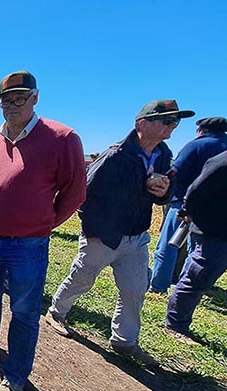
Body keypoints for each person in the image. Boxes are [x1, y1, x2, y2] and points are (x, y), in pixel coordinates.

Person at [0, 70, 87, 391]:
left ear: (35, 98)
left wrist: (44, 223)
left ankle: (14, 376)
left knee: (24, 311)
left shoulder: (61, 137)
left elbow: (75, 191)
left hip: (28, 244)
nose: (11, 105)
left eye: (19, 98)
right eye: (5, 100)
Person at [45, 99, 195, 367]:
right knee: (82, 278)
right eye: (167, 121)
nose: (173, 126)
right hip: (103, 235)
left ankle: (124, 341)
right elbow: (84, 193)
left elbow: (168, 191)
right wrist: (92, 232)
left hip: (136, 236)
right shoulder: (115, 156)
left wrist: (164, 193)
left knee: (135, 289)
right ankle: (56, 313)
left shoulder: (162, 155)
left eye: (176, 121)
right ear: (142, 124)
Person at [149, 117, 227, 293]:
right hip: (218, 211)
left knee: (168, 246)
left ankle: (158, 285)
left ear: (202, 130)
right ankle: (187, 286)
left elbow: (175, 172)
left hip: (185, 204)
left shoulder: (197, 145)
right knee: (198, 251)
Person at [165, 151, 227, 342]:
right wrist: (188, 210)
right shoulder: (223, 160)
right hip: (215, 230)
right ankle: (175, 324)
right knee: (199, 276)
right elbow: (197, 188)